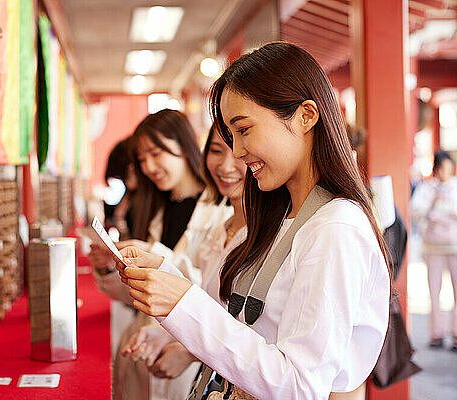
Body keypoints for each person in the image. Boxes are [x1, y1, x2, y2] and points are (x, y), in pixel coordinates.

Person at [114, 42, 391, 399]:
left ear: (306, 116)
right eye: (230, 136)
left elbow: (299, 385)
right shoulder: (278, 217)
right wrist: (167, 279)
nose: (238, 152)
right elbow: (236, 319)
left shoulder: (335, 228)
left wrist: (182, 302)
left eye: (243, 130)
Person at [90, 109, 209, 400]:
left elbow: (212, 290)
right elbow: (138, 295)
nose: (149, 166)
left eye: (156, 154)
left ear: (183, 145)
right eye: (142, 159)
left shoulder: (217, 210)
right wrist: (111, 267)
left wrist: (154, 254)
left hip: (186, 353)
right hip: (143, 343)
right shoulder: (154, 208)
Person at [121, 123, 247, 392]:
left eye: (156, 154)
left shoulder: (228, 216)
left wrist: (188, 350)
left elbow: (242, 323)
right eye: (216, 151)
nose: (226, 165)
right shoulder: (214, 227)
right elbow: (209, 299)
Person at [411, 150, 457, 351]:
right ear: (436, 169)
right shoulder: (426, 188)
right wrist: (432, 205)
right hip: (433, 247)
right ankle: (436, 333)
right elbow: (416, 212)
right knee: (434, 290)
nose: (445, 172)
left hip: (454, 246)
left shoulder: (455, 187)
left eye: (448, 168)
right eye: (442, 168)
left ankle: (455, 333)